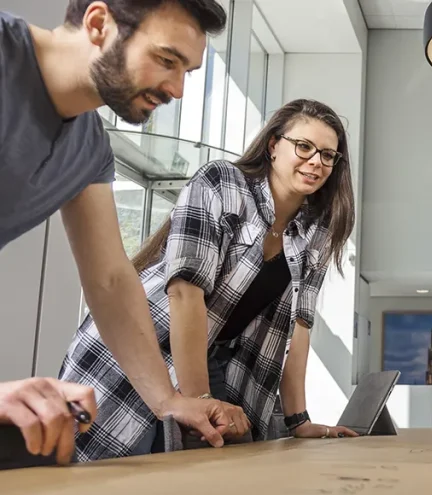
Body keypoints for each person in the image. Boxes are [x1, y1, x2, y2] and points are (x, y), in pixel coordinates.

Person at [0, 0, 239, 463]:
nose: (176, 89)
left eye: (186, 71)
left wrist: (168, 402)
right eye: (166, 60)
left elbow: (110, 279)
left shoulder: (89, 151)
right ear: (97, 23)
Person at [58, 99, 361, 461]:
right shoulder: (222, 183)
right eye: (304, 147)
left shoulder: (317, 231)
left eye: (328, 155)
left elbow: (299, 327)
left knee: (199, 478)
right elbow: (186, 293)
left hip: (212, 360)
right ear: (273, 145)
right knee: (100, 475)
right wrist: (199, 402)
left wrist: (299, 420)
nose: (316, 162)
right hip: (140, 344)